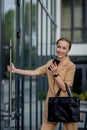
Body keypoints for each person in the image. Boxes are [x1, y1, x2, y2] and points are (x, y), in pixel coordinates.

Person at [7, 37, 78, 130]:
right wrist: (15, 70)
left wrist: (56, 73)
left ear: (68, 50)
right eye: (59, 47)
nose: (60, 50)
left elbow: (65, 88)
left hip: (67, 102)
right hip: (51, 101)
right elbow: (35, 72)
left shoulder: (71, 66)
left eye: (64, 48)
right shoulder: (50, 63)